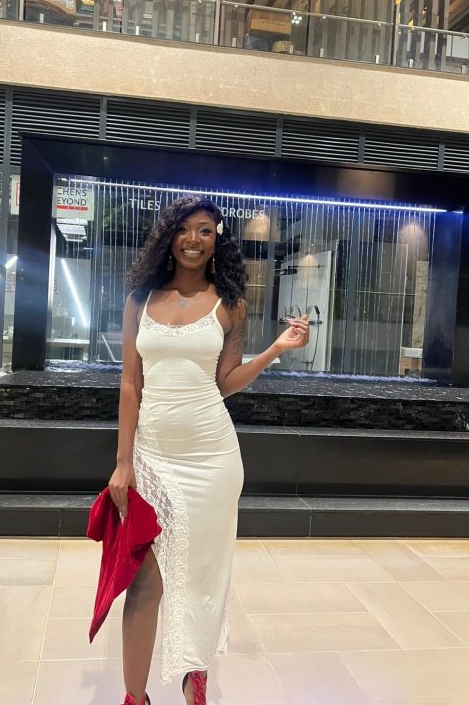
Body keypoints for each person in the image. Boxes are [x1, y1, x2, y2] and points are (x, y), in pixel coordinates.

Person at [108, 196, 309, 705]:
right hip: (152, 456)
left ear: (217, 239)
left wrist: (275, 350)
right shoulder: (139, 299)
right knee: (145, 581)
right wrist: (123, 462)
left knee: (202, 574)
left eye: (204, 230)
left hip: (212, 459)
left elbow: (225, 382)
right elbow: (130, 383)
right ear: (168, 237)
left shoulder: (229, 304)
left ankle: (193, 671)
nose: (193, 240)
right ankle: (135, 697)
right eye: (183, 229)